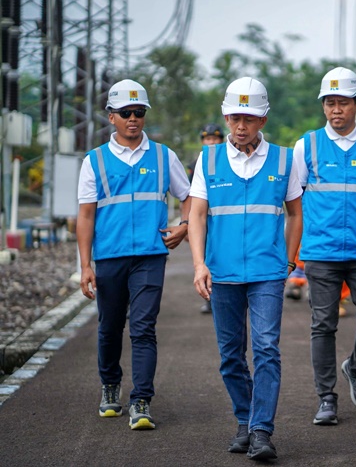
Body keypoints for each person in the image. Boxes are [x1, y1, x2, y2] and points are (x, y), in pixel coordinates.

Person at [188, 77, 302, 461]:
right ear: (225, 116)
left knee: (266, 347)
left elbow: (295, 213)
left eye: (249, 118)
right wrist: (199, 264)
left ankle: (261, 430)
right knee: (231, 354)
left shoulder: (286, 159)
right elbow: (197, 216)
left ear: (263, 120)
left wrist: (288, 261)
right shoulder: (208, 159)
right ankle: (244, 420)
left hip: (268, 272)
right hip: (221, 273)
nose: (241, 126)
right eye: (235, 117)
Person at [76, 79, 191, 430]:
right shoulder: (93, 161)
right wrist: (85, 266)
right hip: (109, 258)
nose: (133, 118)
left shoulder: (162, 156)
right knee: (110, 327)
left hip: (149, 256)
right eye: (126, 112)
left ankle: (141, 399)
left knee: (143, 327)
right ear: (111, 116)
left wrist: (184, 225)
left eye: (139, 112)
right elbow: (85, 215)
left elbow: (189, 196)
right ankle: (110, 387)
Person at [293, 66, 356, 425]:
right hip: (321, 252)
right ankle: (326, 398)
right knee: (323, 325)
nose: (336, 110)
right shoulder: (308, 145)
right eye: (330, 103)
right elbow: (294, 199)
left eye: (343, 103)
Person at [191, 123, 225, 314]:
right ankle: (209, 298)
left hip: (222, 221)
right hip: (204, 220)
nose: (211, 142)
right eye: (207, 139)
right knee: (204, 260)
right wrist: (187, 222)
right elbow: (191, 198)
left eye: (215, 139)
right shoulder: (198, 164)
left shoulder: (228, 162)